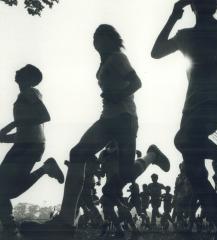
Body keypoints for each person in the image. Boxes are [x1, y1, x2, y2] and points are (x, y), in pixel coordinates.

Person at [20, 25, 170, 238]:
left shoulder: (119, 57)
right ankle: (65, 222)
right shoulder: (104, 64)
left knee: (126, 174)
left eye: (99, 37)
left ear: (111, 39)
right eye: (94, 38)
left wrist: (118, 96)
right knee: (77, 153)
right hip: (107, 118)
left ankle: (152, 154)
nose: (95, 42)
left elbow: (136, 82)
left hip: (125, 118)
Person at [151, 0, 217, 235]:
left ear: (192, 7)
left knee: (183, 140)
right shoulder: (187, 35)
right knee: (193, 170)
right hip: (190, 108)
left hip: (214, 101)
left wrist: (173, 15)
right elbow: (156, 53)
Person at [0, 65, 64, 237]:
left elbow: (44, 116)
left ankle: (9, 225)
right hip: (27, 143)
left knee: (3, 186)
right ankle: (8, 224)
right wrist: (3, 137)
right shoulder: (27, 94)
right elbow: (26, 129)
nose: (17, 71)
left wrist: (15, 124)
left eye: (22, 71)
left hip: (28, 146)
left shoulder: (28, 92)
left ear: (28, 78)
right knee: (7, 189)